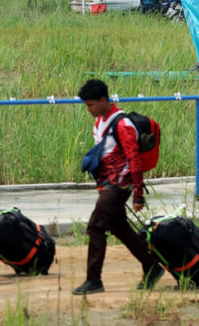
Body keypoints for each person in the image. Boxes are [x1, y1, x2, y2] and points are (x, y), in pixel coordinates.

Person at [72, 79, 164, 295]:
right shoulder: (99, 123)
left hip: (119, 184)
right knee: (119, 228)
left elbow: (134, 160)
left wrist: (138, 194)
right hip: (106, 185)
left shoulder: (122, 125)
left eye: (91, 105)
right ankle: (152, 266)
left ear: (104, 100)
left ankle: (94, 280)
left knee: (95, 227)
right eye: (86, 105)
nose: (89, 109)